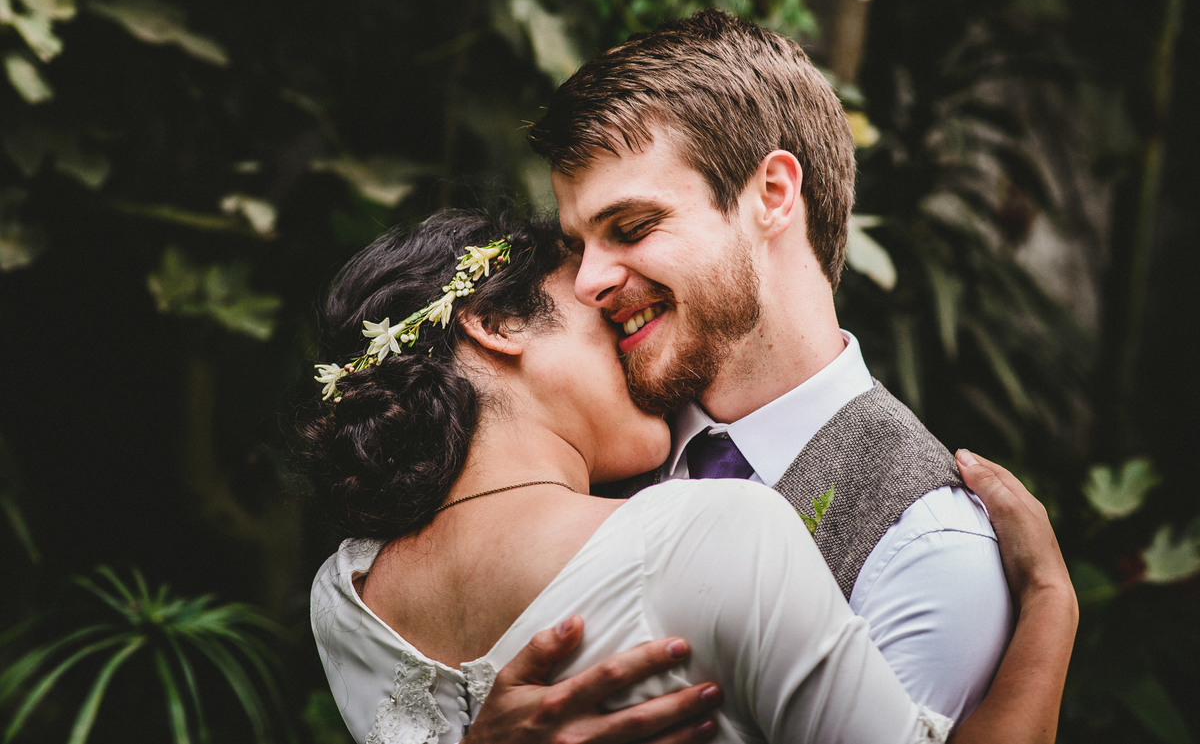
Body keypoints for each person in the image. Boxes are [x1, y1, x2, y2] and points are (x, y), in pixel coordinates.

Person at [304, 210, 1078, 744]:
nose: (632, 343)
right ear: (499, 323)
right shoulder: (715, 533)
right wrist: (1049, 604)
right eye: (604, 316)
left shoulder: (344, 598)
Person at [467, 7, 1013, 735]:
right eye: (579, 245)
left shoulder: (928, 545)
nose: (590, 281)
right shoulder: (583, 451)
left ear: (773, 195)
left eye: (631, 228)